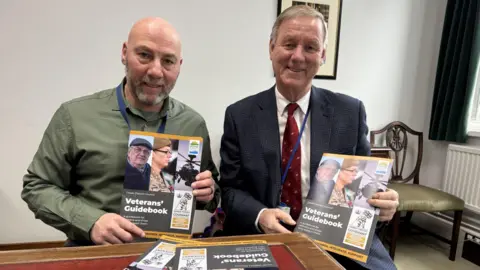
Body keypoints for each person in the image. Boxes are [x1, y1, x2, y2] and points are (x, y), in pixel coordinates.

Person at [219, 5, 399, 269]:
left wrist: (383, 203)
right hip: (265, 237)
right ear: (271, 48)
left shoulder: (350, 112)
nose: (298, 57)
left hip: (338, 241)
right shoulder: (239, 115)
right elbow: (231, 190)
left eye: (311, 48)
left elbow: (364, 186)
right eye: (289, 44)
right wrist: (260, 215)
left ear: (323, 55)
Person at [21, 17, 219, 247]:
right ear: (124, 53)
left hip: (167, 254)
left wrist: (209, 191)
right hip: (94, 254)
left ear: (179, 65)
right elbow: (37, 186)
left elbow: (211, 193)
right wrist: (91, 222)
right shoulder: (74, 116)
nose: (156, 71)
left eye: (168, 61)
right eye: (144, 55)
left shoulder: (192, 123)